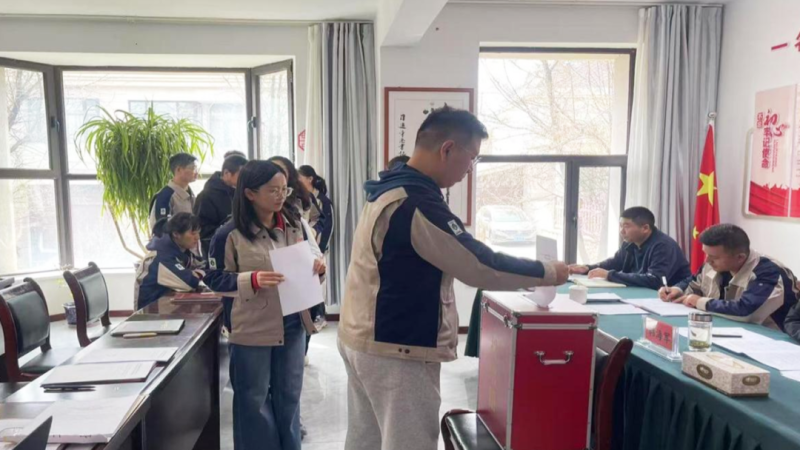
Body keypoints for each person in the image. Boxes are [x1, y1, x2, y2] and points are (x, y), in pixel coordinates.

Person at [338, 106, 569, 450]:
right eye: (472, 158)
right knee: (408, 443)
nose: (469, 170)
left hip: (364, 336)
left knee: (366, 439)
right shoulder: (416, 201)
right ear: (447, 149)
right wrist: (547, 272)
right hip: (397, 347)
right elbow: (477, 264)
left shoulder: (390, 187)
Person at [203, 160, 326, 450]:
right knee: (253, 400)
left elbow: (309, 260)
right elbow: (214, 278)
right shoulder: (229, 234)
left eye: (284, 189)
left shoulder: (294, 224)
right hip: (253, 328)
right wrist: (252, 279)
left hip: (294, 321)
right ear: (250, 193)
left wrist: (318, 269)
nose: (281, 196)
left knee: (290, 396)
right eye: (273, 190)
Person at [660, 224, 800, 331]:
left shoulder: (769, 272)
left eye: (714, 257)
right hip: (728, 330)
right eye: (706, 254)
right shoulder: (714, 263)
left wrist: (699, 301)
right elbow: (695, 282)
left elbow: (746, 311)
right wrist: (678, 290)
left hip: (772, 338)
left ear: (740, 257)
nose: (707, 260)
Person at [568, 207, 691, 290]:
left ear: (645, 228)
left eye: (626, 226)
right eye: (620, 226)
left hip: (669, 299)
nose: (622, 231)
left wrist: (609, 275)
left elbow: (655, 280)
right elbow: (615, 263)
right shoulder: (630, 242)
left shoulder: (663, 246)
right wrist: (587, 268)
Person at [134, 213, 204, 309]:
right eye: (193, 233)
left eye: (198, 232)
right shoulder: (160, 258)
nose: (197, 237)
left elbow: (203, 267)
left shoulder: (182, 252)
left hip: (168, 309)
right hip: (150, 314)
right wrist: (197, 274)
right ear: (176, 234)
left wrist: (196, 273)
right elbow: (189, 282)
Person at [194, 153, 248, 258]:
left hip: (241, 247)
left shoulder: (243, 193)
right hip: (218, 250)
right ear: (227, 173)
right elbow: (202, 229)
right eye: (241, 175)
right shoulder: (206, 196)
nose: (245, 179)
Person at [149, 153, 199, 231]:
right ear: (178, 170)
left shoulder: (191, 194)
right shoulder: (165, 196)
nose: (196, 173)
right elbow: (161, 230)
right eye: (193, 168)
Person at [298, 165, 334, 254]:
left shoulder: (323, 201)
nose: (297, 181)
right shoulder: (299, 198)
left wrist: (320, 250)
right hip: (302, 248)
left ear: (310, 179)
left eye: (299, 177)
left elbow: (327, 227)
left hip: (316, 249)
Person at [268, 156, 312, 222]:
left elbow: (317, 218)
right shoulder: (264, 195)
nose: (277, 173)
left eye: (281, 169)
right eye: (272, 169)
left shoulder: (301, 194)